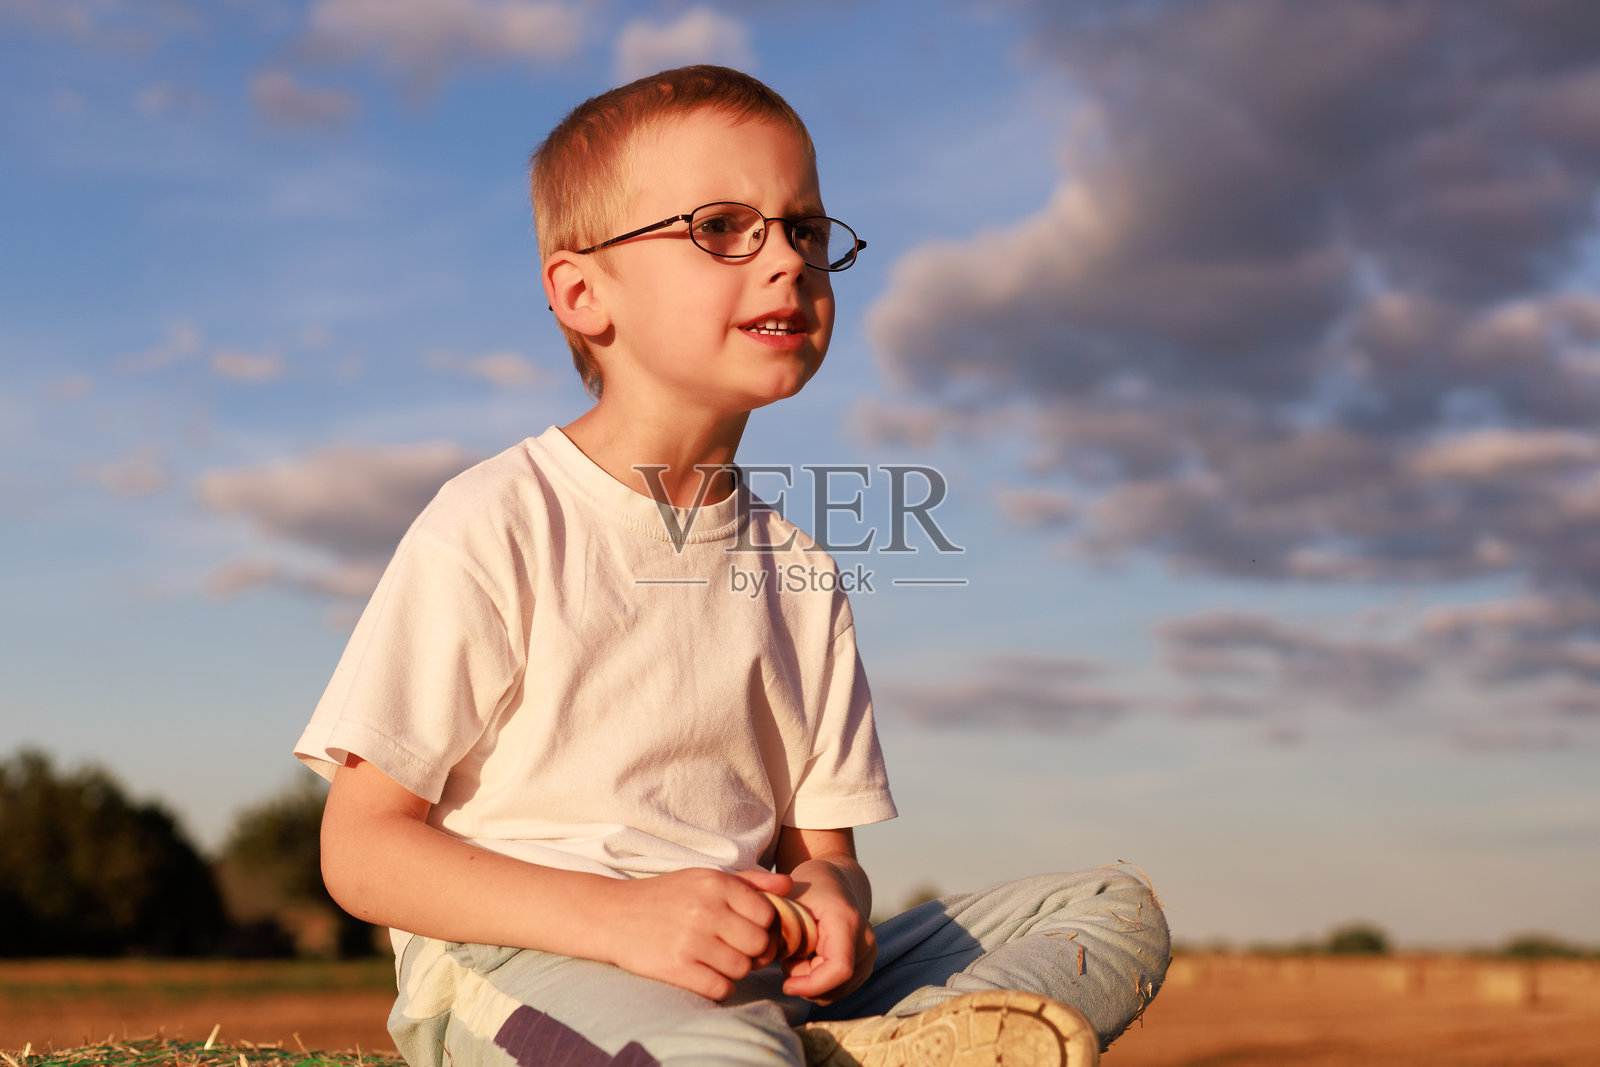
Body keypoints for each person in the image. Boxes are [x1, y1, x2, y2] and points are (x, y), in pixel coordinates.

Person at [296, 65, 1168, 1067]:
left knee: (1110, 907)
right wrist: (622, 920)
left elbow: (825, 854)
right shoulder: (495, 520)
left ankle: (860, 1044)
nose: (786, 261)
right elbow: (360, 847)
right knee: (724, 1055)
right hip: (531, 956)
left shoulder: (800, 572)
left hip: (757, 970)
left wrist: (831, 905)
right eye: (720, 227)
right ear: (582, 292)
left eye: (804, 229)